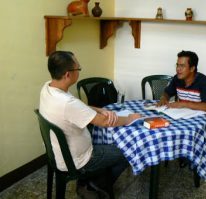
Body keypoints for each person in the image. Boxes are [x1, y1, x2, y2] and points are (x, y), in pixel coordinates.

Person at [39, 51, 141, 198]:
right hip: (80, 159)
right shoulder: (67, 103)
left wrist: (100, 109)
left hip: (57, 154)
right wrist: (130, 118)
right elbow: (105, 122)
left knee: (111, 144)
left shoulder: (48, 88)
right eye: (78, 69)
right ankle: (95, 184)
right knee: (128, 151)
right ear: (68, 74)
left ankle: (93, 181)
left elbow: (77, 106)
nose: (79, 71)